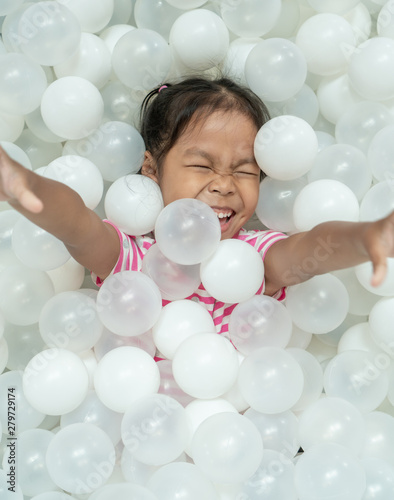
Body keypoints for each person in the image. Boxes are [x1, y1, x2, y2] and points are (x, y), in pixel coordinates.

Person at [1, 76, 393, 333]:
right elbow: (75, 223)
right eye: (202, 166)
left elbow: (312, 248)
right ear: (152, 170)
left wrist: (366, 238)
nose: (224, 185)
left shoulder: (255, 259)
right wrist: (22, 185)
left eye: (244, 171)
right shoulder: (132, 260)